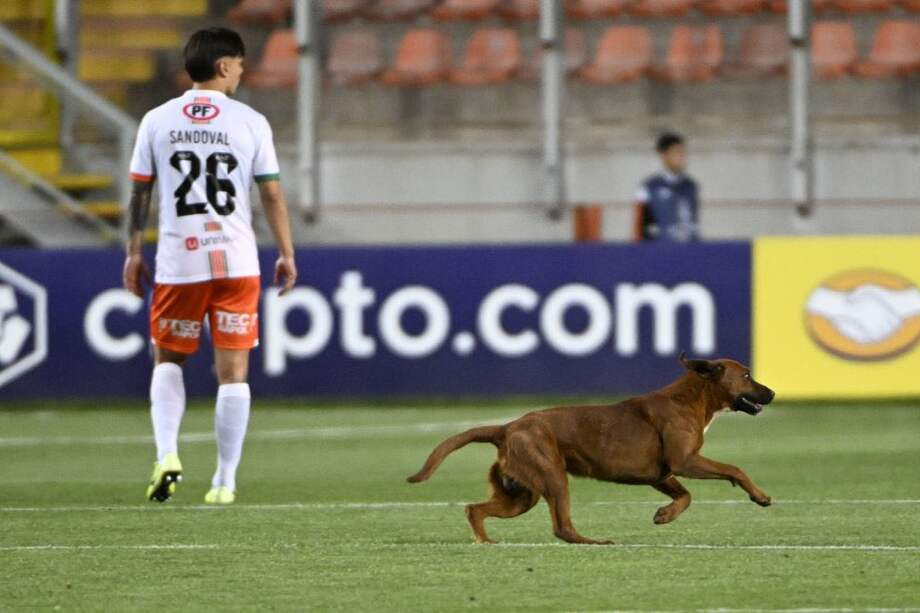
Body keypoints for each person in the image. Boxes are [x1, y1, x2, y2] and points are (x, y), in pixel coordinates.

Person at [122, 27, 297, 505]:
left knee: (168, 359)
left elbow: (141, 192)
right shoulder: (250, 122)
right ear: (224, 66)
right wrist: (286, 251)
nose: (242, 72)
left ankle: (167, 453)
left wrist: (134, 252)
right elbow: (272, 192)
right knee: (233, 372)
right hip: (236, 259)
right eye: (239, 64)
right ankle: (224, 481)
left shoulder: (156, 120)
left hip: (181, 261)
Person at [633, 132, 700, 243]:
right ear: (664, 155)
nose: (681, 157)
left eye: (682, 153)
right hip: (661, 249)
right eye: (676, 153)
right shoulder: (649, 186)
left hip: (688, 248)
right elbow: (640, 225)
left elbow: (694, 220)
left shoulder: (691, 186)